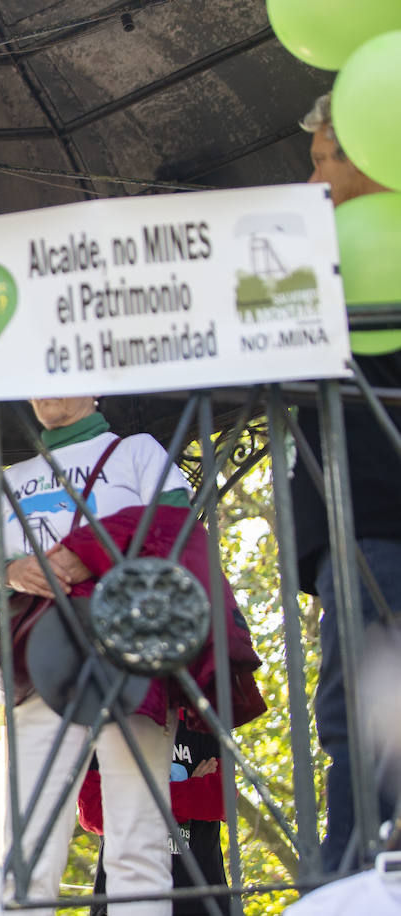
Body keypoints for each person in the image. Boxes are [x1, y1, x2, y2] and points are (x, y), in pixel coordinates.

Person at [0, 396, 264, 916]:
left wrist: (94, 554)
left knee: (138, 838)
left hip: (135, 657)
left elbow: (180, 538)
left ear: (93, 386)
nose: (46, 392)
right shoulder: (13, 479)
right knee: (26, 844)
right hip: (42, 665)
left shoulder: (137, 452)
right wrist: (12, 573)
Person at [294, 90, 401, 873]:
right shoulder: (317, 262)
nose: (312, 183)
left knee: (365, 721)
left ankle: (357, 877)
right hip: (356, 530)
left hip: (374, 527)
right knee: (360, 721)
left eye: (325, 161)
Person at [80, 713, 232, 916]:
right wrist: (191, 788)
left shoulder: (201, 718)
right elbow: (94, 813)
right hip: (122, 898)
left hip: (202, 900)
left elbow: (221, 800)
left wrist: (129, 800)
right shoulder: (107, 723)